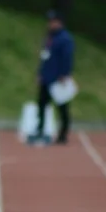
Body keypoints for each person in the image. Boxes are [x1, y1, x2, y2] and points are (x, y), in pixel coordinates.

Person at [31, 10, 74, 145]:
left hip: (58, 78)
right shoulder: (49, 37)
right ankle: (40, 130)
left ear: (59, 22)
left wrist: (65, 74)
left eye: (52, 22)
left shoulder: (65, 39)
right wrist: (40, 73)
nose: (50, 24)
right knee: (42, 104)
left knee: (62, 106)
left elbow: (67, 58)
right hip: (47, 77)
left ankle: (63, 133)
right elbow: (45, 57)